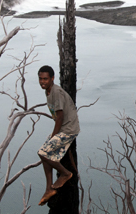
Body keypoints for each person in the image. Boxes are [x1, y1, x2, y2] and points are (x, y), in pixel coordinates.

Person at [37, 65, 80, 206]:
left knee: (43, 153)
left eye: (45, 79)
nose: (42, 81)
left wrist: (53, 136)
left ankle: (66, 174)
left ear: (52, 78)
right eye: (40, 79)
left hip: (68, 129)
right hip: (62, 128)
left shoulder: (56, 92)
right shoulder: (48, 91)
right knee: (45, 153)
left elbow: (60, 117)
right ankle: (49, 188)